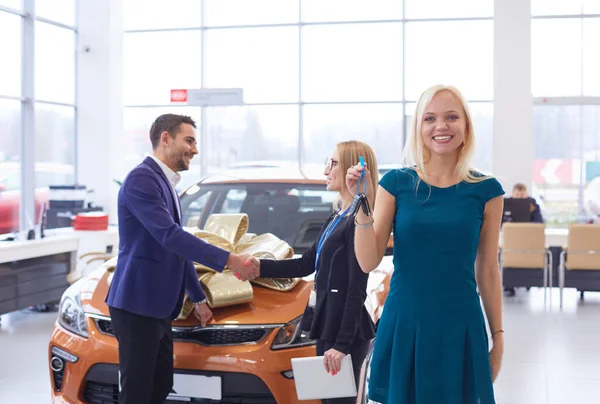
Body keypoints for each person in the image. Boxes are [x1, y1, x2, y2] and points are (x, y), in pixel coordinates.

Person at [347, 85, 504, 404]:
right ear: (418, 127)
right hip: (406, 320)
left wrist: (498, 337)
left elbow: (487, 268)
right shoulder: (396, 184)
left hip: (460, 323)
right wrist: (361, 202)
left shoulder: (487, 191)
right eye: (429, 118)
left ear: (466, 125)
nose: (441, 126)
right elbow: (368, 261)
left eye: (451, 117)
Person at [105, 113, 259, 404]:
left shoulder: (166, 184)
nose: (195, 149)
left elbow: (177, 247)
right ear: (166, 138)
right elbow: (170, 236)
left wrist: (197, 297)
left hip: (159, 306)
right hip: (138, 304)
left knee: (161, 385)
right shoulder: (142, 180)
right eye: (189, 140)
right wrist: (231, 260)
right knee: (137, 392)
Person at [249, 141, 378, 404]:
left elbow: (356, 289)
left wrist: (341, 345)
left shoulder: (359, 221)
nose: (325, 171)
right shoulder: (337, 216)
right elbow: (306, 264)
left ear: (352, 168)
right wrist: (257, 266)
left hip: (344, 333)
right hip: (328, 324)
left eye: (332, 164)